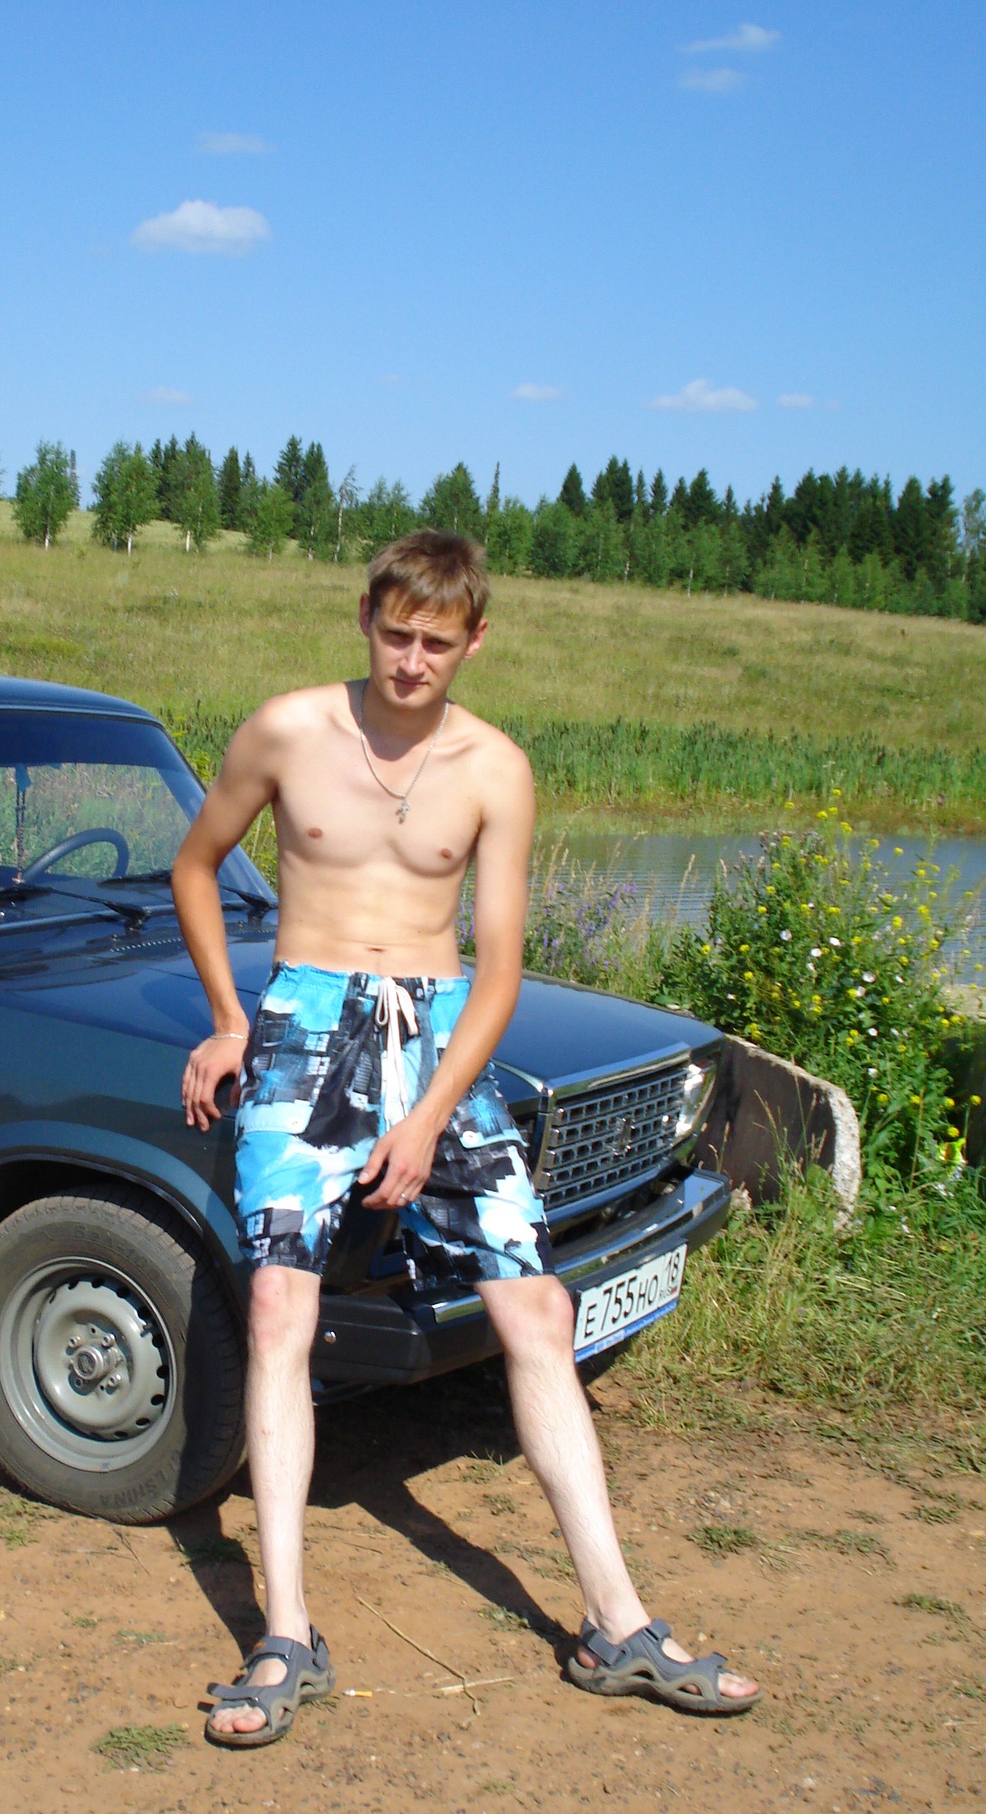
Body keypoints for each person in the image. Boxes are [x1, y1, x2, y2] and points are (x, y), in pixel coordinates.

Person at [171, 529, 759, 1747]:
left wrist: (430, 1115)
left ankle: (617, 1624)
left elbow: (499, 971)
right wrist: (228, 1019)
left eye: (437, 642)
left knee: (535, 1310)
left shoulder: (495, 766)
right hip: (303, 1025)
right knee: (279, 1309)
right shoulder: (286, 730)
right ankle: (287, 1633)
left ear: (474, 639)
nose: (411, 660)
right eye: (395, 633)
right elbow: (196, 865)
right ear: (366, 618)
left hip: (440, 1042)